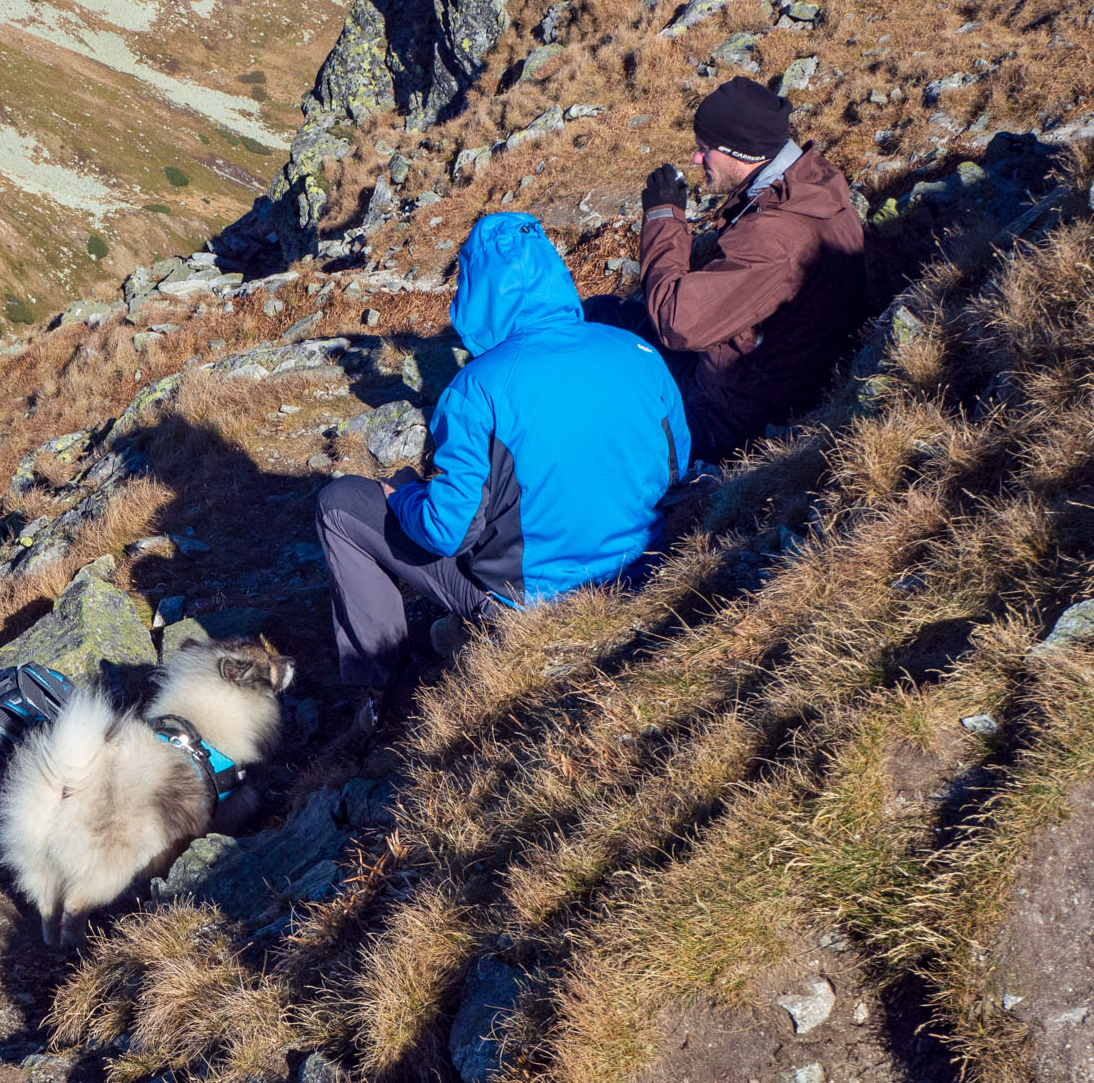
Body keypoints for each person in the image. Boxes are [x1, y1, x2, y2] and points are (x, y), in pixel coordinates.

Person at [314, 212, 688, 723]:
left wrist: (400, 495)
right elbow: (675, 470)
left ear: (477, 291)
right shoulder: (637, 350)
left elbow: (449, 534)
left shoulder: (477, 389)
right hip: (640, 572)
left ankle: (383, 692)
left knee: (338, 505)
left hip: (530, 602)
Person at [634, 77, 866, 463]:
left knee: (601, 401)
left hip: (732, 417)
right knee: (607, 316)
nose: (696, 159)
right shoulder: (810, 182)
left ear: (737, 151)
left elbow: (676, 322)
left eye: (703, 149)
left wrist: (663, 215)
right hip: (765, 373)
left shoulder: (775, 238)